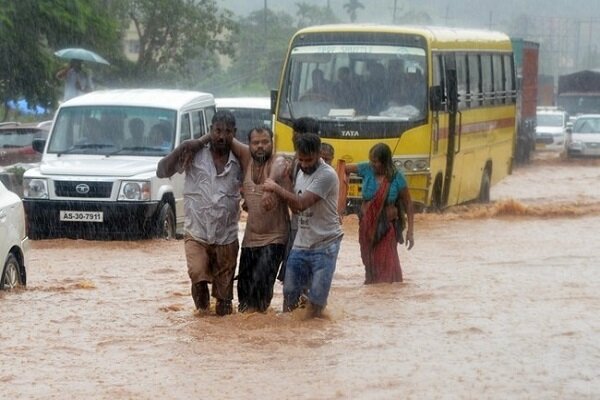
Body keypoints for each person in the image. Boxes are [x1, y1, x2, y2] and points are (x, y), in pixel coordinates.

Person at [156, 110, 242, 316]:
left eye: (227, 132)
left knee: (224, 298)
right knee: (198, 276)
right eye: (217, 131)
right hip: (197, 233)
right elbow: (161, 171)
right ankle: (201, 320)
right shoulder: (192, 154)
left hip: (227, 236)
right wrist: (185, 145)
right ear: (210, 130)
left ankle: (218, 335)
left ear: (234, 133)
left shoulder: (240, 159)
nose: (221, 136)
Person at [263, 133, 343, 317]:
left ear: (319, 154)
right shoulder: (297, 168)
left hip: (326, 244)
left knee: (316, 300)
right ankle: (291, 335)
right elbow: (297, 209)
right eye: (302, 159)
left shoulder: (326, 175)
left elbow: (300, 204)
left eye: (310, 160)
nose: (305, 164)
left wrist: (275, 189)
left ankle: (312, 335)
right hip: (301, 244)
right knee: (290, 292)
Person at [344, 143, 415, 284]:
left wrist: (410, 232)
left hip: (386, 229)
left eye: (375, 161)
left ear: (385, 162)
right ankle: (374, 294)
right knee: (369, 263)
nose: (372, 164)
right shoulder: (366, 169)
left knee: (386, 264)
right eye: (371, 160)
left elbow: (408, 204)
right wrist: (341, 198)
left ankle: (386, 295)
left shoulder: (396, 177)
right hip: (367, 228)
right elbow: (341, 169)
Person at [277, 117, 320, 284]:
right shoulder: (296, 160)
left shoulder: (317, 165)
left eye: (295, 135)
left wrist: (279, 188)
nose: (292, 139)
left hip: (311, 230)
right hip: (298, 226)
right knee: (293, 277)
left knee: (300, 277)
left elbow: (299, 204)